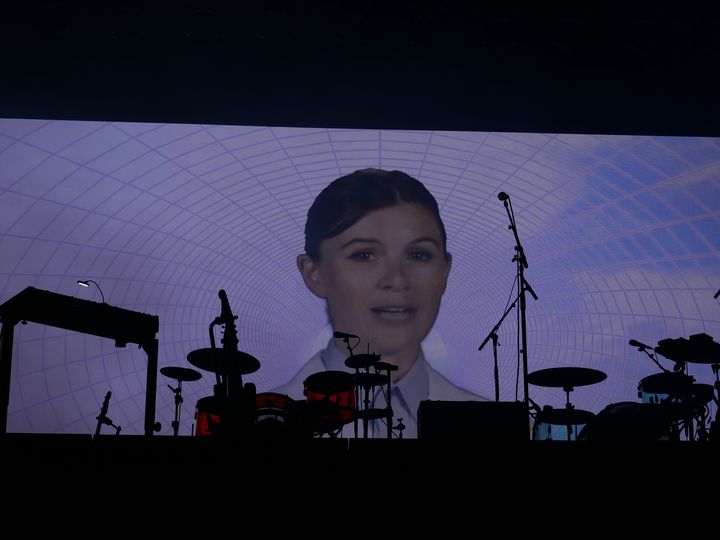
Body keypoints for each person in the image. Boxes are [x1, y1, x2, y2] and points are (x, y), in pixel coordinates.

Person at [274, 168, 487, 437]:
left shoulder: (496, 428)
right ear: (313, 273)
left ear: (444, 272)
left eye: (419, 255)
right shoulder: (253, 427)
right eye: (364, 255)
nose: (397, 280)